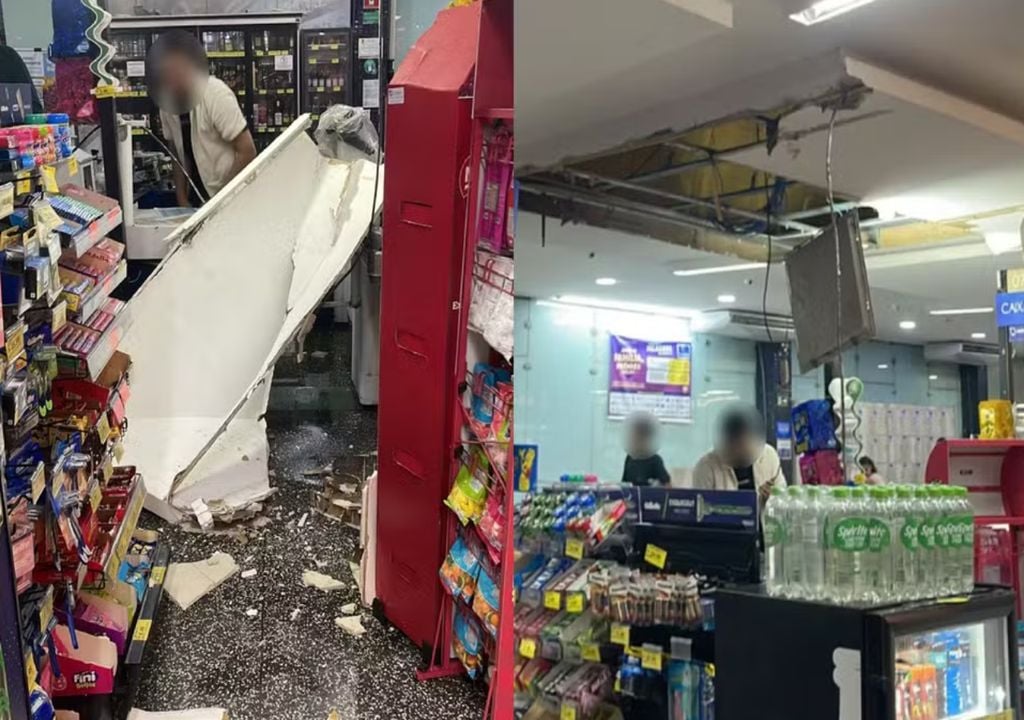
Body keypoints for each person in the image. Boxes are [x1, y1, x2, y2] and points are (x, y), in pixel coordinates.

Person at [147, 30, 257, 207]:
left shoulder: (216, 94)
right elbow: (176, 151)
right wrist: (182, 198)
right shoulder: (167, 102)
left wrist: (221, 199)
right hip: (197, 197)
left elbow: (247, 151)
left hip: (230, 197)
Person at [693, 404, 786, 502]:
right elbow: (700, 508)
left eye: (745, 442)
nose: (741, 449)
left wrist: (772, 499)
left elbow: (783, 498)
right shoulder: (706, 467)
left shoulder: (768, 456)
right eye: (736, 444)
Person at [621, 411, 671, 486]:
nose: (632, 439)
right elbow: (624, 484)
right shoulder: (629, 458)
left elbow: (667, 485)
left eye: (636, 436)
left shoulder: (655, 460)